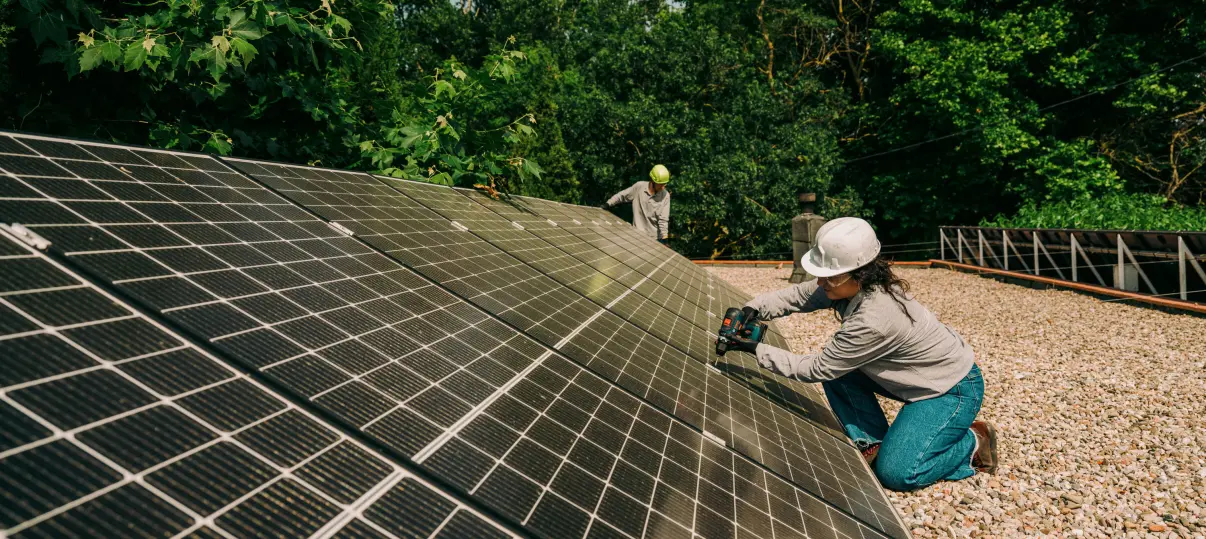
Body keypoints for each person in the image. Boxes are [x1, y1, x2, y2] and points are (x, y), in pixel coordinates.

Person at [725, 217, 999, 492]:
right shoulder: (846, 284)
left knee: (897, 474)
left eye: (829, 276)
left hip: (948, 390)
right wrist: (754, 308)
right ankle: (874, 443)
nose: (820, 282)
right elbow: (798, 296)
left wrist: (755, 349)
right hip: (915, 379)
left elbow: (817, 369)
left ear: (860, 273)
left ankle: (973, 442)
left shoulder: (875, 318)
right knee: (840, 372)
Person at [601, 164, 671, 244]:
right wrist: (608, 204)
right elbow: (622, 195)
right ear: (653, 181)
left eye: (665, 184)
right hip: (637, 235)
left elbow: (663, 220)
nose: (663, 187)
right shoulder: (639, 187)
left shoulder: (665, 195)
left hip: (654, 239)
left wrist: (665, 239)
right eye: (661, 184)